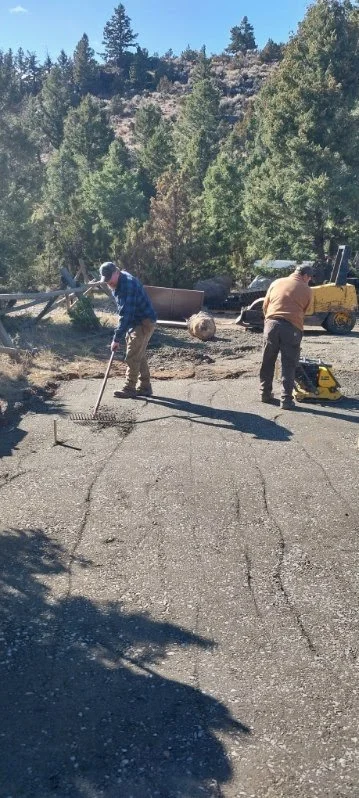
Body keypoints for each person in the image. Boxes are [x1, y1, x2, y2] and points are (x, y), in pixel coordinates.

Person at [99, 262, 157, 398]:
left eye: (109, 278)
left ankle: (130, 388)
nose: (108, 282)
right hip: (136, 321)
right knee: (139, 354)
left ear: (117, 272)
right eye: (105, 279)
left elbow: (126, 314)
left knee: (132, 355)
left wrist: (116, 338)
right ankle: (145, 387)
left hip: (143, 321)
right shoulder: (117, 282)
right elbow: (125, 312)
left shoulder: (127, 285)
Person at [259, 263, 313, 410]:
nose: (309, 281)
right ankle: (286, 400)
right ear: (305, 276)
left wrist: (269, 322)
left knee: (268, 360)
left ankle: (265, 393)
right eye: (309, 278)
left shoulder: (276, 282)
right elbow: (307, 311)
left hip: (271, 325)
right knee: (288, 364)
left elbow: (265, 305)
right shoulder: (307, 289)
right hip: (291, 328)